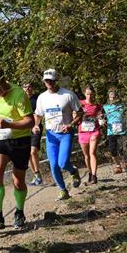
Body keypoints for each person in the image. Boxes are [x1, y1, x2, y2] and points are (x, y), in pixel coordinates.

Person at [0, 66, 34, 231]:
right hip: (0, 139)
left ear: (2, 81)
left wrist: (9, 124)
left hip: (20, 140)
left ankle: (19, 212)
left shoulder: (18, 94)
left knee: (18, 180)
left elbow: (30, 121)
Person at [33, 69, 83, 200]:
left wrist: (71, 124)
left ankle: (73, 171)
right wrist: (36, 125)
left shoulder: (68, 95)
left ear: (56, 80)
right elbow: (38, 114)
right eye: (46, 80)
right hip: (51, 135)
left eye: (51, 80)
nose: (48, 82)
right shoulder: (42, 97)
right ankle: (63, 190)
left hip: (65, 133)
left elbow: (80, 112)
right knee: (54, 165)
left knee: (63, 162)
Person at [78, 85, 104, 184]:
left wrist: (101, 118)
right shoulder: (80, 104)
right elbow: (74, 114)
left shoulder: (98, 106)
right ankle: (90, 172)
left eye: (91, 94)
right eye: (88, 94)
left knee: (92, 152)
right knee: (86, 156)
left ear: (94, 95)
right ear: (85, 94)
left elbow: (101, 117)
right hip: (83, 132)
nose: (89, 96)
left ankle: (94, 176)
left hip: (94, 131)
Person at [103, 87, 127, 173]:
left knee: (123, 149)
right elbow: (100, 116)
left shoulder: (122, 106)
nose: (113, 97)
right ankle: (118, 166)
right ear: (108, 97)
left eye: (114, 96)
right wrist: (102, 121)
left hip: (122, 131)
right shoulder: (105, 107)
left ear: (116, 96)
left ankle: (125, 163)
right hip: (111, 131)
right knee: (112, 150)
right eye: (111, 96)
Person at [22, 81, 43, 185]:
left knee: (33, 151)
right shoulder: (21, 100)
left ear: (32, 88)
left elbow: (40, 114)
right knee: (27, 154)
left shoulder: (37, 99)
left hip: (36, 127)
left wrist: (35, 125)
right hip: (24, 129)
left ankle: (37, 173)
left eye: (29, 87)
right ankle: (36, 175)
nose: (27, 89)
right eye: (25, 87)